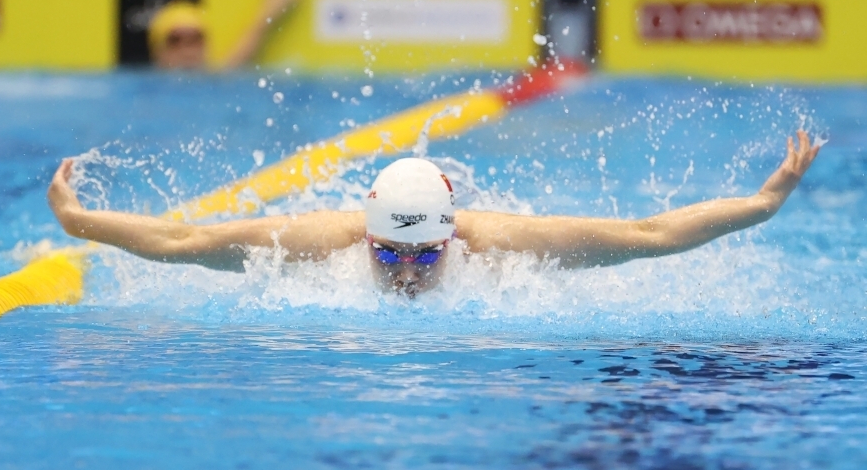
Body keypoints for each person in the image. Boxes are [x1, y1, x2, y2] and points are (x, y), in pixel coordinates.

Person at [47, 131, 820, 299]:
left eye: (425, 256)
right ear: (369, 235)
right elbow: (185, 240)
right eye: (392, 256)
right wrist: (79, 222)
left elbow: (647, 237)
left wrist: (762, 202)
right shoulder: (322, 244)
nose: (410, 273)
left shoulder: (504, 247)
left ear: (453, 236)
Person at [148, 0, 306, 70]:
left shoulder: (216, 81)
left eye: (196, 39)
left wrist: (276, 5)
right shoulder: (148, 91)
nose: (187, 50)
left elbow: (252, 40)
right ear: (157, 50)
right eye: (175, 40)